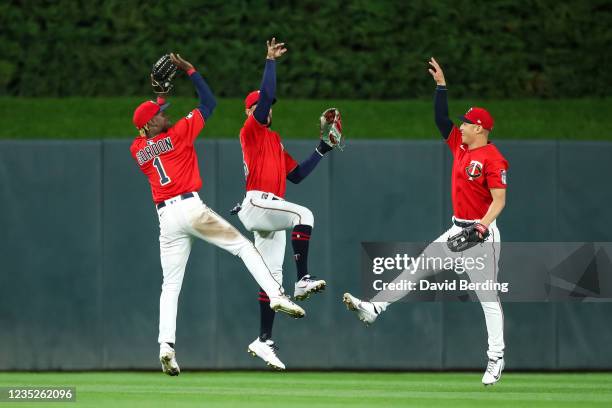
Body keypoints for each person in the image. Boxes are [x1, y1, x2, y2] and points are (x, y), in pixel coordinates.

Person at [130, 53, 304, 377]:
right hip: (191, 209)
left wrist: (160, 96)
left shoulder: (137, 150)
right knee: (244, 247)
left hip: (166, 220)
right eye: (161, 115)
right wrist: (191, 71)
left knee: (170, 285)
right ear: (153, 124)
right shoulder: (179, 134)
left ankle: (165, 346)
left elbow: (149, 127)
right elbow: (209, 102)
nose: (166, 116)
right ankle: (276, 294)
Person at [342, 57, 509, 386]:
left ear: (480, 128)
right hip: (457, 227)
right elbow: (440, 118)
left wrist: (483, 226)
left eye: (467, 122)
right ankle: (374, 309)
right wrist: (441, 86)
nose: (460, 125)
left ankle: (496, 358)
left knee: (487, 297)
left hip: (481, 233)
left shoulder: (493, 157)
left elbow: (500, 200)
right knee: (416, 268)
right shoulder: (460, 147)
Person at [236, 38, 334, 370]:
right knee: (304, 214)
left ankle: (263, 340)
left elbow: (297, 175)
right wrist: (270, 62)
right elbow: (262, 100)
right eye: (261, 105)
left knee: (272, 281)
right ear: (250, 111)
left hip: (269, 210)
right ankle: (303, 277)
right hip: (259, 203)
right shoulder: (250, 130)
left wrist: (322, 149)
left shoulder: (274, 141)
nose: (267, 108)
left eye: (268, 105)